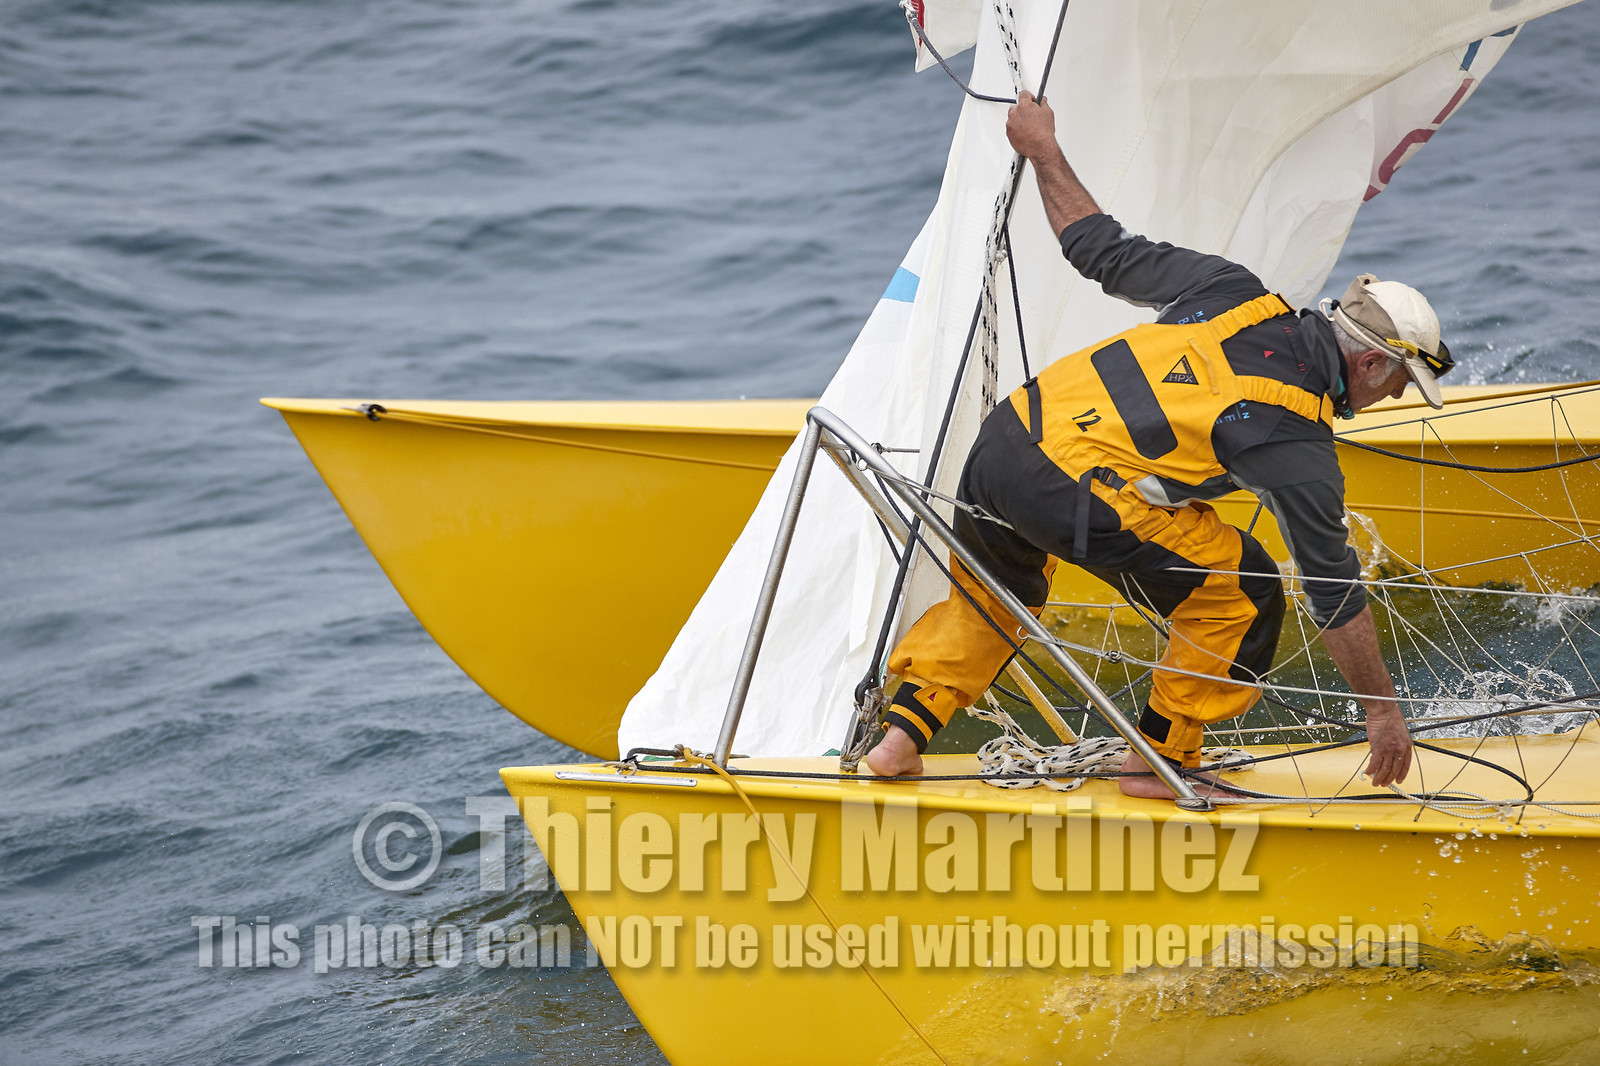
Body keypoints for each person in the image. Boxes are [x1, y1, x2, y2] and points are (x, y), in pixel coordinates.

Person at [865, 92, 1449, 797]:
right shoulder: (1296, 434)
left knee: (1002, 591)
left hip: (1002, 443)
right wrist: (1382, 710)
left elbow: (1096, 247)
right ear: (1371, 364)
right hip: (1068, 485)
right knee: (1247, 588)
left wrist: (1043, 148)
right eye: (1401, 385)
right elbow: (1332, 590)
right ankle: (1160, 761)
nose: (1391, 399)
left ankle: (899, 742)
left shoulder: (1233, 291)